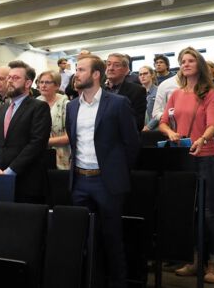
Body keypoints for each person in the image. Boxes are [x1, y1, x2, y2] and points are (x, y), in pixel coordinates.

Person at [65, 54, 140, 288]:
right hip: (79, 180)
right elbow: (73, 140)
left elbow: (132, 143)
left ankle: (118, 283)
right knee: (85, 239)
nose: (76, 74)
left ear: (96, 74)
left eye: (81, 70)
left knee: (112, 239)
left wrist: (116, 172)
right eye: (76, 70)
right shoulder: (72, 106)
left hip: (107, 183)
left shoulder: (117, 103)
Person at [159, 47, 214, 283]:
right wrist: (171, 133)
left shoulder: (210, 92)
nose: (185, 64)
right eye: (182, 61)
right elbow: (164, 122)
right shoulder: (175, 94)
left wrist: (202, 138)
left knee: (208, 213)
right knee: (188, 212)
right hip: (182, 157)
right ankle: (194, 260)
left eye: (190, 61)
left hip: (205, 155)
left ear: (200, 65)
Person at [0, 60, 51, 204]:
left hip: (27, 182)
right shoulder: (1, 109)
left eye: (15, 78)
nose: (9, 81)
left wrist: (11, 170)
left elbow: (36, 144)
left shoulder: (39, 107)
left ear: (28, 83)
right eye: (9, 77)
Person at [36, 70, 70, 170]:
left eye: (47, 82)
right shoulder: (35, 103)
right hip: (38, 156)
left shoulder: (66, 104)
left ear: (57, 86)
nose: (43, 85)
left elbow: (69, 137)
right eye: (41, 82)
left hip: (61, 158)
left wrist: (44, 142)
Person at [105, 53, 147, 130]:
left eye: (116, 65)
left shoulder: (137, 91)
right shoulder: (99, 90)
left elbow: (138, 123)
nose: (110, 68)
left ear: (126, 69)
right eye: (108, 64)